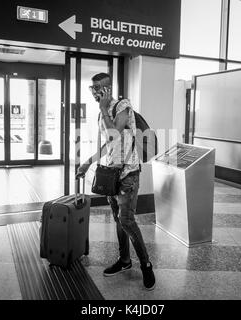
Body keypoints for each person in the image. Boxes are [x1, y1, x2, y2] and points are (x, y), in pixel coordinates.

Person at [76, 72, 156, 291]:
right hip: (111, 175)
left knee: (127, 220)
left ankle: (146, 265)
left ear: (107, 89)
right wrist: (87, 163)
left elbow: (114, 135)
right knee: (118, 220)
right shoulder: (101, 115)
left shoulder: (123, 106)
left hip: (129, 174)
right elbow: (107, 146)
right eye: (92, 89)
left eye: (98, 89)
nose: (94, 93)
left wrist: (103, 107)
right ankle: (124, 261)